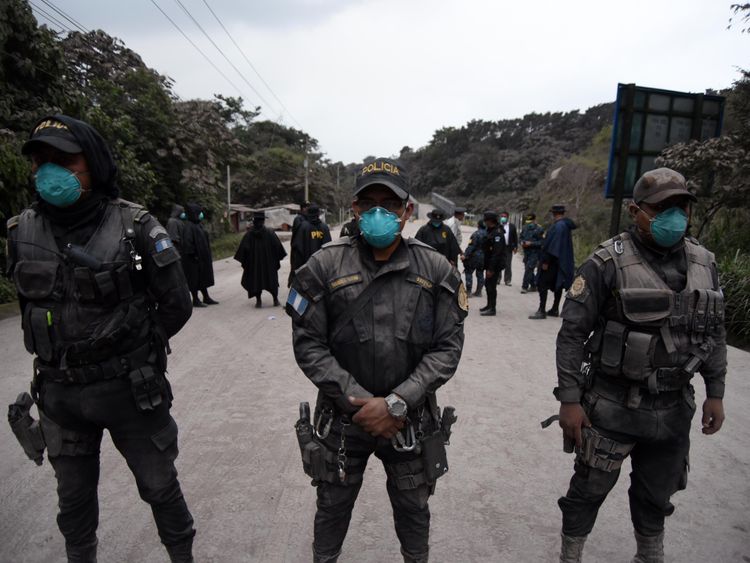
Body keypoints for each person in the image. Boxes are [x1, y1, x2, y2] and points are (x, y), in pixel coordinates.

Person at [5, 115, 196, 562]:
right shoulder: (22, 231)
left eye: (64, 160)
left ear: (93, 163)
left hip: (131, 392)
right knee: (73, 504)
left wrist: (133, 349)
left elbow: (177, 305)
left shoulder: (137, 226)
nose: (50, 171)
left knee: (159, 488)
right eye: (41, 161)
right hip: (60, 397)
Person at [287, 157, 467, 563]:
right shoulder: (323, 266)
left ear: (407, 210)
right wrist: (358, 401)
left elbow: (447, 348)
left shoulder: (436, 269)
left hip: (410, 420)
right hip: (343, 419)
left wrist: (397, 402)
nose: (379, 213)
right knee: (332, 509)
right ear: (354, 209)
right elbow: (309, 344)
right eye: (369, 204)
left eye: (390, 203)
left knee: (414, 511)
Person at [553, 168, 727, 563]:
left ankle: (650, 556)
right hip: (612, 407)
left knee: (657, 495)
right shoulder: (605, 262)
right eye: (661, 207)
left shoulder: (704, 262)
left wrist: (715, 391)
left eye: (680, 206)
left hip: (672, 409)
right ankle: (570, 555)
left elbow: (713, 333)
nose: (674, 216)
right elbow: (571, 335)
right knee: (588, 490)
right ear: (636, 210)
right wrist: (569, 400)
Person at [529, 204, 576, 319]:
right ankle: (555, 308)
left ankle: (542, 310)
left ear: (554, 213)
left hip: (552, 261)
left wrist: (546, 261)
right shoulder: (564, 225)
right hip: (560, 261)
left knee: (542, 284)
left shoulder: (559, 226)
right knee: (557, 285)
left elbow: (553, 246)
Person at [234, 211, 287, 308]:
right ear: (263, 221)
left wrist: (248, 263)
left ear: (254, 221)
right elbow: (278, 247)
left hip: (255, 265)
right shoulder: (270, 233)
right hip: (269, 264)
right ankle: (275, 299)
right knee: (271, 281)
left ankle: (258, 301)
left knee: (256, 281)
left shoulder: (249, 234)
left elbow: (243, 251)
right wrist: (276, 259)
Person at [181, 202, 218, 307]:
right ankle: (196, 300)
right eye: (198, 212)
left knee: (202, 278)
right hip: (193, 259)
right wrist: (194, 255)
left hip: (201, 258)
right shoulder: (189, 226)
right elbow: (188, 243)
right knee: (194, 280)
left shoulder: (197, 225)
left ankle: (206, 297)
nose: (200, 214)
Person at [290, 204, 332, 275]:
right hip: (321, 269)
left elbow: (297, 249)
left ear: (308, 213)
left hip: (305, 268)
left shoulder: (303, 227)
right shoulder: (324, 228)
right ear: (318, 214)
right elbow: (329, 248)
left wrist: (295, 270)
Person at [479, 211, 506, 316]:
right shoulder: (491, 231)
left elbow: (496, 253)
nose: (485, 222)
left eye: (486, 220)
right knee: (488, 285)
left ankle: (492, 308)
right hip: (490, 263)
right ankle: (489, 305)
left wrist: (491, 269)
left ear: (490, 220)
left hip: (495, 265)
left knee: (491, 286)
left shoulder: (497, 233)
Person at [519, 212, 544, 294]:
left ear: (534, 220)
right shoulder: (524, 228)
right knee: (528, 269)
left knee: (529, 268)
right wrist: (522, 243)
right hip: (526, 252)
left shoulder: (539, 229)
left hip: (535, 252)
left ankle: (524, 287)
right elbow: (520, 238)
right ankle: (533, 285)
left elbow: (542, 242)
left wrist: (531, 243)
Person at [462, 219, 487, 297]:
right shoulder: (488, 234)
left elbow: (471, 246)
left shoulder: (476, 234)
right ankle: (479, 292)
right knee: (480, 273)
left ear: (478, 225)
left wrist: (465, 255)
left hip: (474, 256)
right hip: (484, 257)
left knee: (468, 272)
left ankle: (469, 292)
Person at [498, 211, 518, 286]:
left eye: (504, 216)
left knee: (508, 264)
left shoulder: (512, 226)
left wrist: (515, 247)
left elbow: (515, 237)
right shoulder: (498, 226)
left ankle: (507, 280)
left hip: (508, 248)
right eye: (502, 216)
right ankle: (497, 279)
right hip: (499, 247)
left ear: (507, 217)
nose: (503, 218)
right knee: (498, 263)